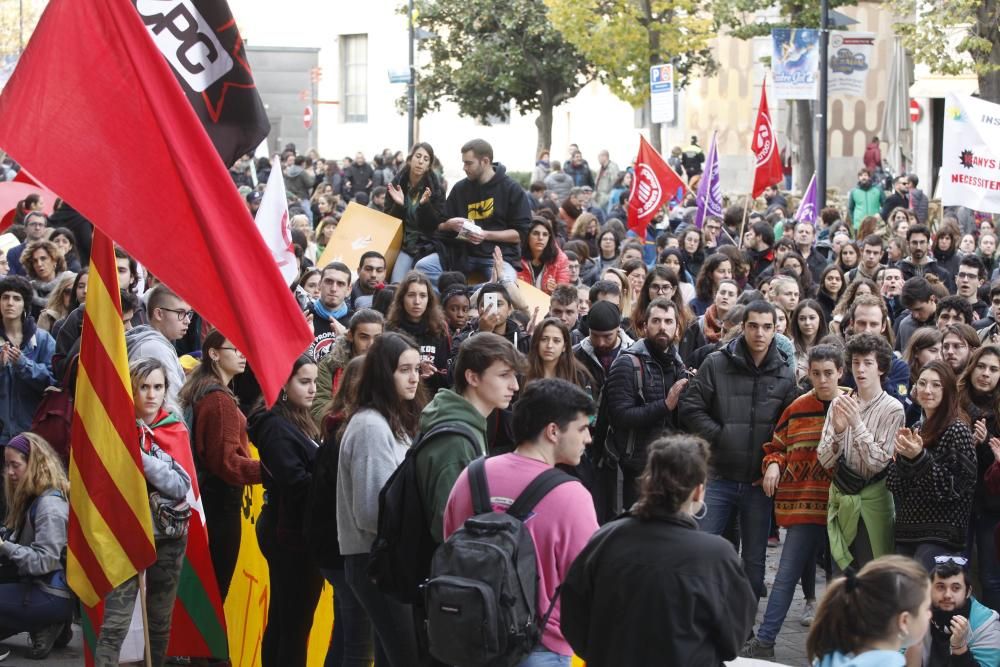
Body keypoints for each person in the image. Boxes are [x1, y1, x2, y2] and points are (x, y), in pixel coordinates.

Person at [560, 434, 757, 666]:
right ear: (698, 491)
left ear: (646, 483)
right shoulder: (717, 555)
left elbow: (573, 619)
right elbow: (733, 639)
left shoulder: (606, 538)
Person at [444, 378, 598, 667]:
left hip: (468, 639)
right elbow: (588, 583)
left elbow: (449, 543)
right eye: (581, 428)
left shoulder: (471, 476)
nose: (588, 438)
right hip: (539, 646)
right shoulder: (571, 496)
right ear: (553, 431)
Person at [680, 300, 798, 600]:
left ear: (776, 330)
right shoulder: (717, 363)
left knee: (754, 559)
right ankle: (698, 613)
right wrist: (721, 436)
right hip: (718, 475)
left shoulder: (785, 373)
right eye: (754, 326)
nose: (760, 333)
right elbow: (690, 407)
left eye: (767, 327)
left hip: (758, 482)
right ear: (743, 327)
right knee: (701, 546)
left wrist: (775, 461)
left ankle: (743, 626)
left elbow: (790, 428)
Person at [741, 346, 843, 658]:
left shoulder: (853, 403)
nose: (822, 380)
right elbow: (777, 445)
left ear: (841, 372)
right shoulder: (797, 408)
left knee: (840, 581)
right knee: (785, 576)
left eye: (828, 373)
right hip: (803, 505)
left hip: (844, 508)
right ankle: (767, 640)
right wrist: (772, 462)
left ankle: (837, 650)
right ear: (807, 374)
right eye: (816, 373)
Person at [96, 359, 192, 667]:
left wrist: (139, 457)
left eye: (158, 387)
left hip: (169, 535)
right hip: (125, 534)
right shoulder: (113, 430)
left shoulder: (174, 428)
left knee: (159, 620)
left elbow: (180, 485)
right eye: (144, 387)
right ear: (132, 389)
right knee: (115, 622)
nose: (152, 395)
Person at [337, 333, 423, 666]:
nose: (414, 377)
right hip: (375, 559)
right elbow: (372, 511)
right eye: (404, 370)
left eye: (416, 369)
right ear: (383, 373)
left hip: (386, 558)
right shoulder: (371, 426)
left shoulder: (394, 420)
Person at [248, 355, 324, 667]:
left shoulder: (294, 418)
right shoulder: (275, 425)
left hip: (292, 530)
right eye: (304, 382)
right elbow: (295, 482)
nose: (312, 389)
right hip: (288, 533)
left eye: (315, 382)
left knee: (285, 617)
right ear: (283, 383)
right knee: (293, 624)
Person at [177, 331, 260, 603]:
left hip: (205, 501)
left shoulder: (200, 387)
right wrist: (269, 471)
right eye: (234, 349)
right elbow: (226, 464)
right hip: (220, 504)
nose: (242, 355)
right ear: (213, 353)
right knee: (213, 595)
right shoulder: (219, 400)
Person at [819, 332, 903, 572]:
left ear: (881, 368)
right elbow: (823, 459)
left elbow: (879, 462)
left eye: (868, 363)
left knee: (872, 575)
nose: (860, 370)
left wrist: (856, 425)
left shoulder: (893, 409)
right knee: (840, 574)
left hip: (875, 498)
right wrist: (837, 432)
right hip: (842, 493)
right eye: (856, 363)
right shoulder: (838, 402)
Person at [888, 361, 976, 569]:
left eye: (936, 385)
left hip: (941, 536)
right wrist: (904, 459)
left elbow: (953, 489)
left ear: (948, 391)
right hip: (907, 531)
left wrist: (918, 457)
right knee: (907, 600)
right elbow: (895, 484)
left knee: (927, 599)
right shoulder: (917, 428)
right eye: (922, 383)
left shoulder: (958, 430)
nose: (927, 390)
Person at [605, 299, 688, 509]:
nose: (663, 327)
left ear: (677, 328)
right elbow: (620, 416)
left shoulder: (678, 364)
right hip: (637, 468)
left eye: (669, 321)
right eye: (656, 321)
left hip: (670, 465)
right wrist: (665, 405)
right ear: (644, 326)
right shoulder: (627, 363)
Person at [415, 139, 531, 287]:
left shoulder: (511, 189)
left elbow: (520, 234)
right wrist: (449, 225)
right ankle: (469, 293)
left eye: (468, 163)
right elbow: (440, 225)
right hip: (460, 254)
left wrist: (485, 235)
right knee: (422, 267)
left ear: (485, 161)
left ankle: (465, 293)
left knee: (507, 285)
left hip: (496, 257)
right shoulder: (460, 189)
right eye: (463, 163)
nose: (464, 167)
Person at [0, 433, 73, 660]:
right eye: (7, 465)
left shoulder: (50, 505)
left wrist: (3, 546)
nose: (9, 472)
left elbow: (44, 561)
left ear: (35, 464)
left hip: (51, 591)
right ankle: (46, 625)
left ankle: (49, 619)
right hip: (36, 585)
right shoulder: (32, 496)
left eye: (16, 465)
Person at [806, 555, 931, 667]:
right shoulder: (890, 663)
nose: (930, 614)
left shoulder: (830, 658)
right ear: (904, 621)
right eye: (926, 608)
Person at [0, 276, 55, 446]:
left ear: (25, 304)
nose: (10, 303)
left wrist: (24, 365)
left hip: (33, 433)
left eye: (17, 298)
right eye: (5, 297)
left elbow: (53, 381)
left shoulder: (43, 339)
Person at [915, 559, 1000, 666]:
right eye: (940, 587)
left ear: (968, 592)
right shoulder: (916, 613)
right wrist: (913, 642)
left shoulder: (987, 625)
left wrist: (960, 648)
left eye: (956, 588)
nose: (947, 595)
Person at [384, 143, 447, 282]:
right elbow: (388, 222)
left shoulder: (436, 189)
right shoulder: (396, 185)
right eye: (418, 156)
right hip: (401, 244)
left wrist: (425, 205)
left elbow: (436, 224)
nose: (420, 161)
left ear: (429, 166)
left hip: (427, 245)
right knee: (396, 283)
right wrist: (399, 205)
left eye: (426, 159)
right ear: (409, 159)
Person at [313, 308, 385, 427]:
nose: (371, 344)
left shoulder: (389, 366)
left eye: (377, 338)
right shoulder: (330, 365)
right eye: (364, 337)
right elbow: (319, 408)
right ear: (350, 336)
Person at [124, 284, 191, 411]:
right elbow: (173, 407)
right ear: (159, 314)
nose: (187, 320)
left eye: (188, 314)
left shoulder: (155, 343)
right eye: (180, 313)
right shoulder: (155, 349)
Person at [386, 271, 451, 395]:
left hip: (431, 398)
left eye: (422, 295)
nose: (417, 301)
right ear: (402, 298)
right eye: (411, 295)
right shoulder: (390, 329)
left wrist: (433, 373)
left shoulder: (440, 328)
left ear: (429, 299)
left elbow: (447, 375)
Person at [679, 278, 738, 366]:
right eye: (722, 292)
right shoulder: (697, 324)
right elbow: (685, 358)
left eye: (731, 294)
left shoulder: (740, 328)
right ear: (715, 295)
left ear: (737, 299)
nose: (725, 297)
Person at [517, 217, 570, 294]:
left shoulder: (560, 259)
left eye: (545, 234)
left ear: (549, 237)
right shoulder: (516, 256)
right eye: (536, 233)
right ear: (527, 235)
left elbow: (563, 292)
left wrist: (555, 290)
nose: (540, 238)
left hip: (548, 304)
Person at [309, 262, 354, 338]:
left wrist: (345, 340)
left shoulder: (355, 322)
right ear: (319, 284)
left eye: (340, 284)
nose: (333, 289)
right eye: (329, 282)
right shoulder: (304, 317)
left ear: (348, 290)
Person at [5, 212, 47, 278]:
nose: (37, 228)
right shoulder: (13, 252)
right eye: (33, 224)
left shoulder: (51, 251)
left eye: (41, 225)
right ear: (25, 228)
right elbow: (11, 279)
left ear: (45, 229)